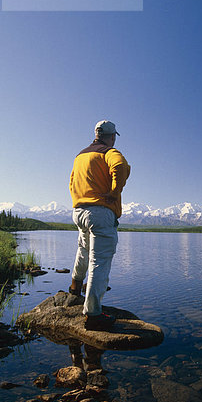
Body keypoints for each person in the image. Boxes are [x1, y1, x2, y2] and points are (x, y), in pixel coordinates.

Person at [69, 120, 130, 330]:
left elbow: (71, 181)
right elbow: (121, 167)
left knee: (83, 249)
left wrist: (79, 201)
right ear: (111, 136)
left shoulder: (80, 156)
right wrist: (114, 193)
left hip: (79, 211)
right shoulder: (109, 152)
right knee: (99, 261)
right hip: (100, 213)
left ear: (96, 134)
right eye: (113, 137)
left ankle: (75, 286)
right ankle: (93, 314)